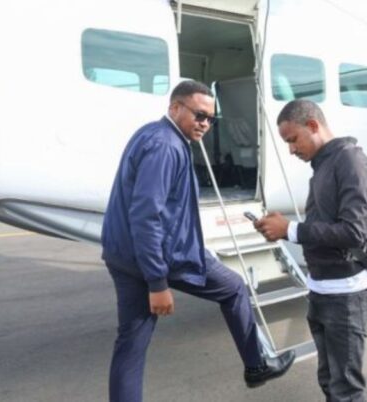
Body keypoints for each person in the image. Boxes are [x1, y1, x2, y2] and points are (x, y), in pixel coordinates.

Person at [100, 80, 294, 402]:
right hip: (160, 258)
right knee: (233, 289)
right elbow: (147, 216)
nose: (205, 123)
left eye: (210, 119)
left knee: (131, 344)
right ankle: (256, 366)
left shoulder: (151, 134)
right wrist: (158, 282)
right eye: (199, 115)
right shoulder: (167, 147)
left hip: (124, 255)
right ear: (175, 108)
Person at [254, 99, 367, 402]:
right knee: (328, 380)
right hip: (321, 290)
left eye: (293, 139)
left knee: (345, 389)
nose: (291, 150)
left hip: (346, 294)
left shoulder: (351, 162)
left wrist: (291, 230)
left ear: (313, 125)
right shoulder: (324, 164)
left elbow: (354, 232)